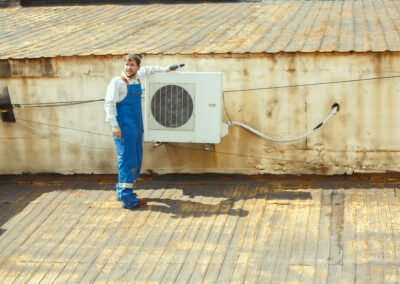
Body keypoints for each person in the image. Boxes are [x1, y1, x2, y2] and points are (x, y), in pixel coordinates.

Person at [104, 54, 176, 209]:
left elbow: (150, 69)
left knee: (136, 158)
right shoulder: (118, 82)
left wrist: (165, 69)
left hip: (136, 127)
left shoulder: (137, 78)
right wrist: (114, 125)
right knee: (127, 160)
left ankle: (123, 190)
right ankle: (128, 199)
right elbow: (109, 104)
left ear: (138, 67)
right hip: (124, 128)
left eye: (131, 65)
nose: (128, 68)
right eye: (126, 64)